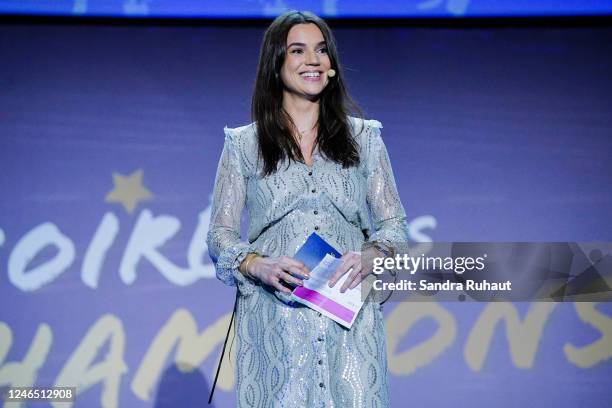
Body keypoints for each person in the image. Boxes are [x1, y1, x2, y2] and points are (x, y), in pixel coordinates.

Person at [207, 10, 408, 407]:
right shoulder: (243, 145)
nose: (312, 60)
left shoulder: (365, 139)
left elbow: (394, 225)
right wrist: (255, 263)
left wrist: (374, 255)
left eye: (321, 51)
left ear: (331, 66)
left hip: (350, 322)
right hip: (275, 321)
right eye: (298, 51)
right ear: (276, 64)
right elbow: (220, 235)